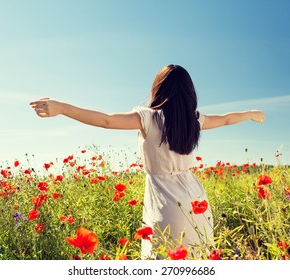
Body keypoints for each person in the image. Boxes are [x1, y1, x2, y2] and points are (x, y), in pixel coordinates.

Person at [29, 64, 265, 259]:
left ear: (158, 89)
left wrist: (63, 108)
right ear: (189, 92)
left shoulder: (150, 118)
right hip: (197, 203)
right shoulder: (194, 120)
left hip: (167, 205)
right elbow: (225, 119)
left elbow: (106, 121)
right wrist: (251, 113)